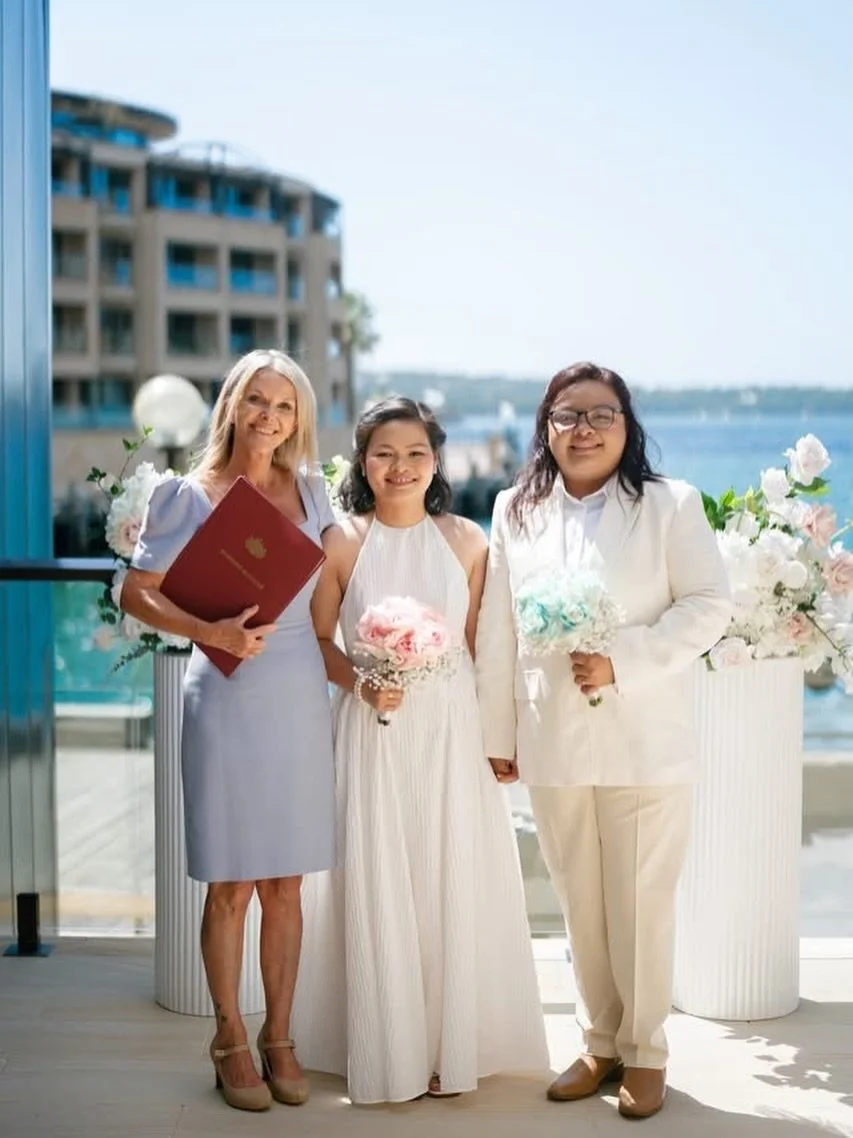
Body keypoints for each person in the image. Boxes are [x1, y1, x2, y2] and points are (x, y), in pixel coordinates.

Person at [476, 362, 731, 1121]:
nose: (582, 429)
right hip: (550, 736)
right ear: (544, 428)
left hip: (643, 737)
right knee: (579, 902)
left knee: (640, 903)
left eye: (600, 414)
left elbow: (708, 605)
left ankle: (647, 1050)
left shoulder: (669, 505)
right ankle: (600, 1041)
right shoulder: (512, 510)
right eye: (566, 415)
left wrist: (624, 658)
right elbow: (497, 630)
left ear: (626, 425)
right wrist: (499, 731)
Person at [291, 396, 550, 1104]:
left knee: (446, 875)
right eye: (383, 453)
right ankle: (384, 1039)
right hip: (372, 729)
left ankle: (446, 1044)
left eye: (414, 454)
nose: (399, 467)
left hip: (449, 731)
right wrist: (364, 683)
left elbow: (483, 649)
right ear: (362, 461)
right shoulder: (340, 540)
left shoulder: (466, 540)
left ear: (435, 461)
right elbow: (318, 641)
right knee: (377, 871)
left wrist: (504, 736)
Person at [122, 349, 337, 1112]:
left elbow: (329, 600)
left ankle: (280, 1036)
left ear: (298, 419)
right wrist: (204, 628)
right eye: (257, 401)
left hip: (296, 696)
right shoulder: (189, 493)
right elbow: (135, 593)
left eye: (284, 406)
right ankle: (227, 1038)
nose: (269, 418)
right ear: (232, 406)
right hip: (223, 691)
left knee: (286, 883)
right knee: (233, 884)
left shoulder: (315, 493)